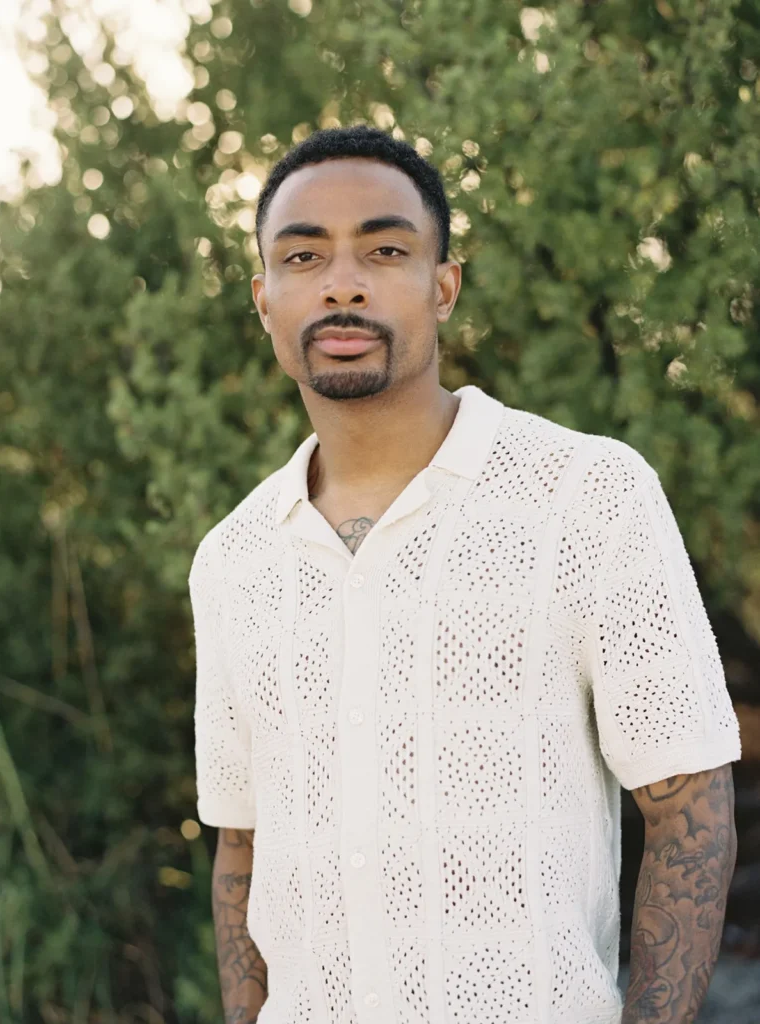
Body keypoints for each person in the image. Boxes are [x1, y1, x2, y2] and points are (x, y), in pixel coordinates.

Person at [188, 125, 742, 1024]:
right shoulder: (232, 558)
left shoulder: (587, 495)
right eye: (303, 257)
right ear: (264, 298)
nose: (342, 282)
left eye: (385, 249)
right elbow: (242, 848)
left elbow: (689, 803)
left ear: (443, 286)